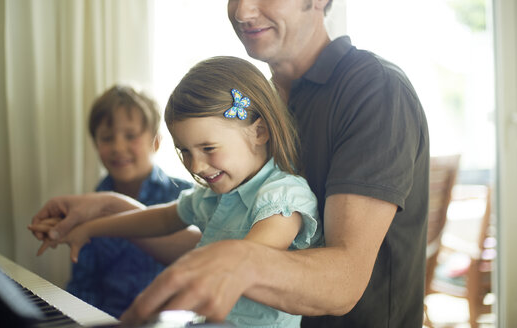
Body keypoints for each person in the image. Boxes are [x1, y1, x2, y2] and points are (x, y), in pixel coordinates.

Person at [31, 0, 430, 327]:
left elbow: (342, 281)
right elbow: (219, 242)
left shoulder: (373, 89)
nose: (241, 11)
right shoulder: (254, 106)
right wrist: (107, 210)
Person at [30, 56, 322, 328]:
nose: (196, 165)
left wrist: (145, 310)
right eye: (184, 151)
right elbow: (159, 220)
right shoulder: (212, 194)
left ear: (259, 133)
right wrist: (91, 227)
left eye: (208, 148)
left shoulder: (282, 197)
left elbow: (243, 259)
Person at [58, 85, 193, 318]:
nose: (118, 148)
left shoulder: (186, 196)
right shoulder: (91, 201)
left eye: (130, 136)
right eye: (107, 138)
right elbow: (84, 285)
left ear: (156, 142)